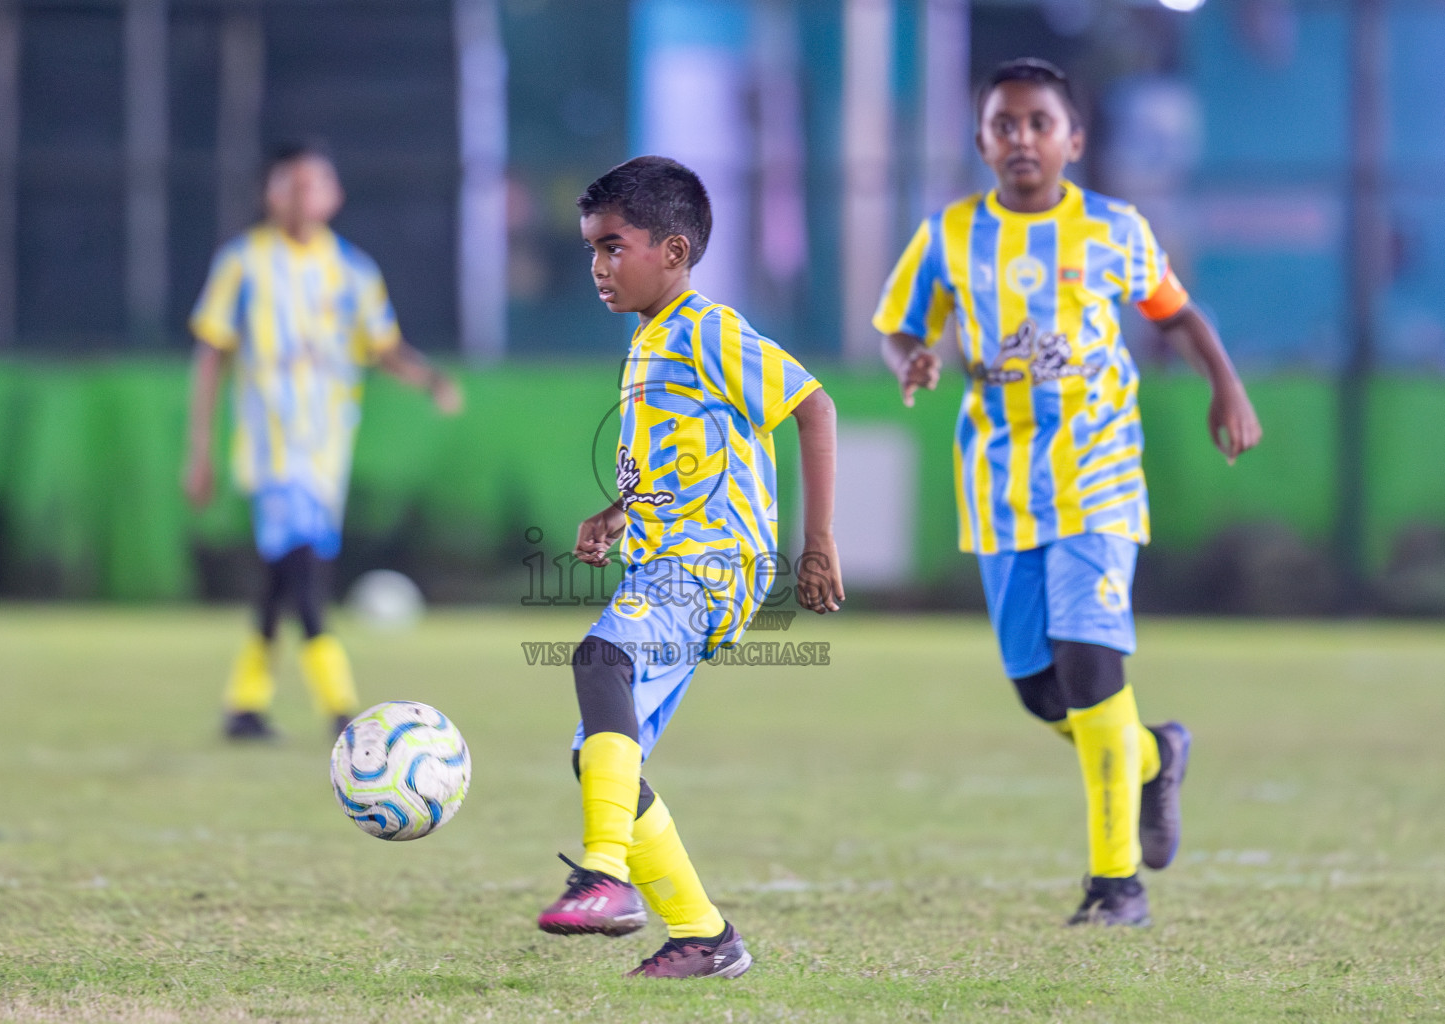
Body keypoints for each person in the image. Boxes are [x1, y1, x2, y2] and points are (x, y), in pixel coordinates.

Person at [875, 59, 1262, 925]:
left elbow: (1178, 314)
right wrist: (914, 359)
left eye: (1038, 123)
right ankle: (1155, 760)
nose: (1021, 139)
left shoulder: (1114, 230)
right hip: (998, 487)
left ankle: (1113, 886)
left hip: (1098, 478)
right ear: (979, 141)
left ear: (1072, 140)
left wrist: (1224, 388)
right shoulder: (946, 236)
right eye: (1003, 125)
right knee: (1041, 692)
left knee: (1091, 664)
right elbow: (899, 325)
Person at [536, 156, 844, 977]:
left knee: (599, 658)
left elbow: (814, 406)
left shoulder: (708, 328)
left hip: (714, 564)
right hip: (664, 559)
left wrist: (818, 544)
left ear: (672, 251)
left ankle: (604, 876)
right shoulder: (647, 339)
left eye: (612, 246)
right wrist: (616, 511)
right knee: (601, 751)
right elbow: (668, 459)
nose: (599, 267)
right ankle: (703, 936)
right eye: (591, 251)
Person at [183, 141, 462, 742]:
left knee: (283, 575)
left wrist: (430, 379)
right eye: (292, 183)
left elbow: (382, 348)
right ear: (271, 193)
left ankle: (244, 705)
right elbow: (211, 356)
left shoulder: (354, 272)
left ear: (334, 195)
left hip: (327, 450)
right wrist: (199, 449)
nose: (305, 194)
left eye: (316, 183)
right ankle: (342, 710)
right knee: (306, 574)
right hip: (272, 451)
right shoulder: (243, 263)